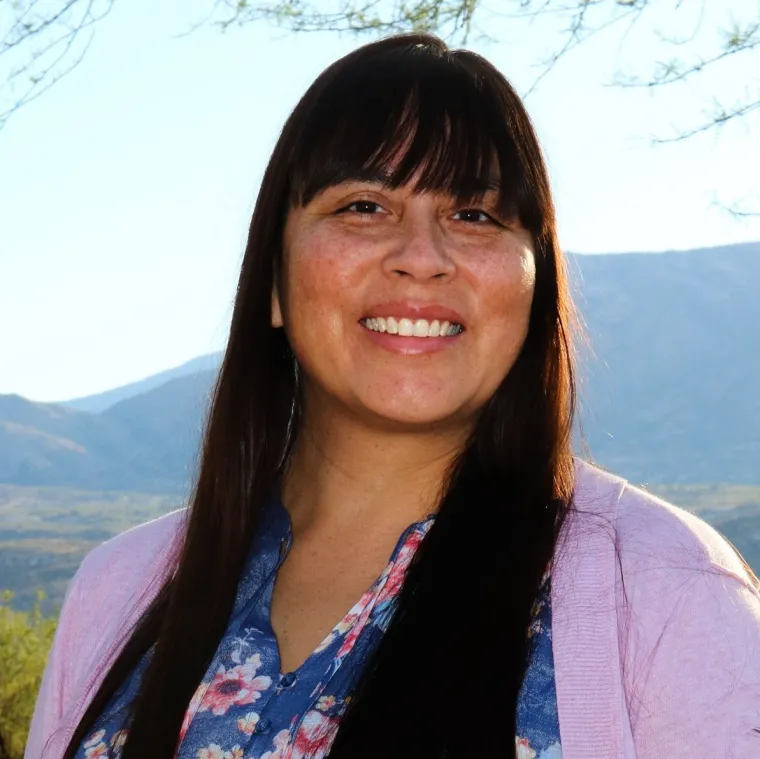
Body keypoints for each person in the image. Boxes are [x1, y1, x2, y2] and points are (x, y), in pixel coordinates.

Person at [25, 33, 760, 759]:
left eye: (473, 214)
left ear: (535, 282)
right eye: (363, 206)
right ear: (274, 281)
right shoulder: (117, 590)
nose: (421, 258)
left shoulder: (666, 591)